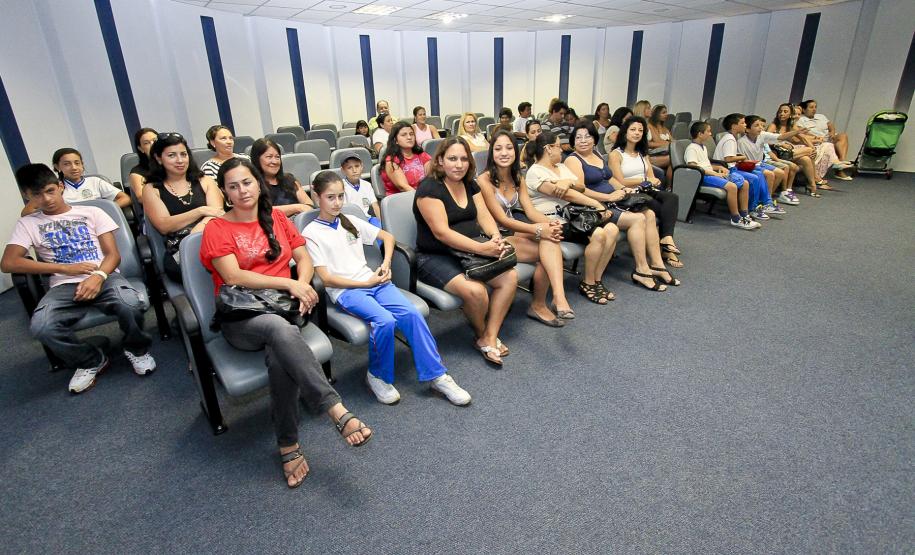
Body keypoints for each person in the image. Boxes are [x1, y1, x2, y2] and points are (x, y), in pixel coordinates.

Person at [202, 157, 372, 489]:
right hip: (243, 317)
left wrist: (304, 283)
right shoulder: (216, 229)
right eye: (233, 186)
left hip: (286, 308)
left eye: (247, 182)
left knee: (280, 355)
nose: (242, 191)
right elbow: (232, 275)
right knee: (282, 331)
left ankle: (288, 444)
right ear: (224, 192)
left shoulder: (278, 218)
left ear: (258, 183)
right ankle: (334, 409)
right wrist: (290, 284)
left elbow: (303, 258)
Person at [304, 171, 471, 406]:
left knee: (412, 314)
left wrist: (385, 264)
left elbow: (387, 237)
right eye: (330, 197)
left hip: (373, 281)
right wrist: (365, 283)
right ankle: (377, 376)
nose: (338, 203)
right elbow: (326, 278)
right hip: (347, 291)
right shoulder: (311, 233)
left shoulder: (349, 221)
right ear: (316, 196)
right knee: (385, 321)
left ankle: (437, 375)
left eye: (341, 196)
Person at [2, 164, 156, 394]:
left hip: (104, 276)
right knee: (41, 327)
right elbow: (9, 262)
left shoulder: (92, 212)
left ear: (60, 187)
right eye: (37, 195)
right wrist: (65, 268)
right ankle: (91, 359)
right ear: (27, 196)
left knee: (131, 304)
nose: (47, 199)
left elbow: (113, 254)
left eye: (50, 190)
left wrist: (98, 276)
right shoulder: (28, 223)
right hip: (63, 285)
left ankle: (136, 349)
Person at [413, 137, 518, 366]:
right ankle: (482, 335)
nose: (458, 165)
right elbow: (442, 233)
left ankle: (489, 335)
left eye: (463, 159)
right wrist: (483, 248)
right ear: (440, 161)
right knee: (476, 292)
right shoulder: (429, 188)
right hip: (434, 256)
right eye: (452, 159)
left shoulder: (470, 183)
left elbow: (484, 215)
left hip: (469, 249)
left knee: (510, 277)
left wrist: (495, 237)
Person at [566, 120, 679, 289]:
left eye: (587, 136)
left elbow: (609, 177)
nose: (583, 140)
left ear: (594, 139)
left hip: (614, 198)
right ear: (573, 140)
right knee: (638, 219)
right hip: (596, 205)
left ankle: (656, 265)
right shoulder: (573, 160)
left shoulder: (595, 154)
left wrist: (624, 190)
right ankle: (641, 269)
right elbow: (581, 191)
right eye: (579, 137)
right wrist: (610, 196)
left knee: (649, 214)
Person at [477, 130, 574, 326]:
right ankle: (545, 303)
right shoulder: (484, 180)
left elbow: (530, 212)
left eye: (509, 148)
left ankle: (555, 297)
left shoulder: (517, 177)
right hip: (492, 238)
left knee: (550, 241)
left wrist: (548, 223)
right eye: (498, 148)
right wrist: (539, 230)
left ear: (516, 150)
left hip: (515, 232)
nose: (504, 153)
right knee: (548, 249)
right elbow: (501, 219)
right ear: (491, 153)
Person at [525, 131, 620, 303]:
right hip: (553, 221)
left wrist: (566, 181)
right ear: (548, 149)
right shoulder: (535, 172)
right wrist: (596, 204)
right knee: (599, 235)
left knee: (612, 229)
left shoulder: (560, 167)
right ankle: (588, 282)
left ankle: (596, 280)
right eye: (558, 146)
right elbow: (567, 195)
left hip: (573, 217)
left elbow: (580, 187)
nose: (562, 150)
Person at [601, 117, 684, 268]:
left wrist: (653, 180)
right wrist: (643, 179)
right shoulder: (616, 154)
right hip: (629, 192)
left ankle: (666, 239)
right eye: (633, 130)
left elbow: (651, 175)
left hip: (646, 188)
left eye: (640, 130)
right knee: (659, 207)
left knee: (672, 198)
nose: (637, 133)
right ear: (625, 132)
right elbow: (619, 181)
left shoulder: (642, 153)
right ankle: (665, 248)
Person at [143, 132, 224, 280]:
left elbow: (216, 213)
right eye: (172, 155)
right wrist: (201, 210)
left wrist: (195, 233)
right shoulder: (152, 189)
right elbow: (164, 225)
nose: (180, 160)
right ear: (158, 158)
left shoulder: (204, 180)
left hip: (213, 240)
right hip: (179, 250)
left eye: (183, 154)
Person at [684, 121, 757, 230]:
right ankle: (736, 219)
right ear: (700, 134)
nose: (710, 134)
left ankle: (744, 214)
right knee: (731, 187)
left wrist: (718, 168)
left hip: (710, 174)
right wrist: (715, 173)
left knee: (745, 184)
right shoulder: (692, 148)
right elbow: (693, 167)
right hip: (701, 178)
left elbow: (705, 165)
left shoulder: (702, 147)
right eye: (708, 131)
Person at [22, 148, 131, 216]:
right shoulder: (55, 189)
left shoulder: (95, 181)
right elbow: (26, 213)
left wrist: (103, 211)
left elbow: (125, 198)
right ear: (57, 167)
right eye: (67, 164)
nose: (74, 167)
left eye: (77, 163)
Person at [715, 113, 784, 221]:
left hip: (732, 167)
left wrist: (740, 158)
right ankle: (752, 208)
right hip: (728, 169)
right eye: (742, 123)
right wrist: (742, 157)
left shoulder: (732, 137)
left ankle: (766, 203)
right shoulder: (729, 139)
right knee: (754, 178)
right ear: (734, 126)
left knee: (759, 174)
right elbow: (728, 159)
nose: (745, 125)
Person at [738, 115, 810, 207]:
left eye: (761, 125)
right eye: (756, 125)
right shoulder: (742, 142)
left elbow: (781, 137)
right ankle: (766, 202)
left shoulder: (762, 135)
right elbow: (742, 161)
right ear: (747, 129)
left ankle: (766, 197)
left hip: (760, 163)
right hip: (750, 165)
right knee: (770, 174)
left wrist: (796, 132)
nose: (760, 128)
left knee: (780, 173)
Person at [250, 138, 313, 217]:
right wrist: (297, 207)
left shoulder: (289, 179)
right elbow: (262, 211)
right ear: (257, 159)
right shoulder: (252, 185)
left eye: (277, 157)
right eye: (269, 157)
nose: (275, 161)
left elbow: (309, 206)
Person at [767, 103, 819, 199]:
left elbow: (803, 138)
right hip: (776, 152)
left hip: (788, 152)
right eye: (780, 112)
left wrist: (813, 147)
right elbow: (766, 139)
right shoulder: (774, 125)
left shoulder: (791, 126)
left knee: (806, 159)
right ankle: (815, 180)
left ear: (790, 114)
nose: (782, 114)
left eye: (785, 112)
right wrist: (780, 144)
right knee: (808, 150)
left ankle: (812, 185)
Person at [796, 99, 853, 180]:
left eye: (815, 107)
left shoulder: (821, 116)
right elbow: (802, 133)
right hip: (816, 140)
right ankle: (839, 170)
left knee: (843, 136)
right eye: (811, 107)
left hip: (828, 137)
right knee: (827, 145)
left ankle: (841, 162)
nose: (814, 109)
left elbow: (831, 126)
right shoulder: (800, 120)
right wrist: (816, 138)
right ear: (804, 110)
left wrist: (832, 133)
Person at [382, 122, 432, 195]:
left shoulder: (422, 155)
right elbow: (403, 187)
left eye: (411, 134)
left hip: (424, 195)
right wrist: (423, 199)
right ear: (395, 140)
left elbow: (432, 177)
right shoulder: (392, 161)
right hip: (403, 199)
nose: (409, 137)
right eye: (404, 135)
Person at [339, 153, 381, 225]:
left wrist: (381, 222)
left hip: (368, 219)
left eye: (357, 166)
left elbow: (375, 206)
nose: (354, 170)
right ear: (343, 170)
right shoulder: (341, 187)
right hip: (351, 221)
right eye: (349, 168)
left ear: (362, 167)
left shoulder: (367, 185)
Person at [128, 127, 158, 203]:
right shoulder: (136, 173)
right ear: (141, 149)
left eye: (155, 140)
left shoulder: (174, 164)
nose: (153, 145)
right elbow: (142, 198)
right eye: (146, 143)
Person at [646, 105, 673, 183]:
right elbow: (656, 141)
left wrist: (668, 143)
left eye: (666, 112)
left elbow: (673, 141)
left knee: (675, 158)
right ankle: (668, 186)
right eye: (663, 113)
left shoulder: (665, 129)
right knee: (673, 159)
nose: (666, 114)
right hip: (652, 155)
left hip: (665, 152)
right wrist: (667, 143)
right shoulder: (649, 126)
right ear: (656, 114)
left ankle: (670, 186)